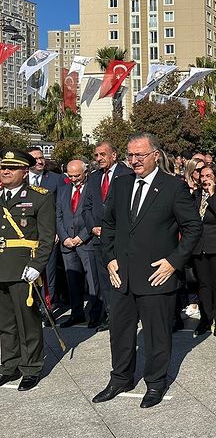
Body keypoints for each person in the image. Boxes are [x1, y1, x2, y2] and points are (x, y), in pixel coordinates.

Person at [93, 133, 202, 409]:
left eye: (140, 155)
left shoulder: (173, 187)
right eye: (130, 155)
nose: (134, 160)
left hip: (157, 275)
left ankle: (155, 383)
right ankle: (120, 378)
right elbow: (109, 226)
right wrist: (109, 259)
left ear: (156, 154)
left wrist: (173, 262)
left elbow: (193, 229)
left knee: (156, 335)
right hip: (122, 275)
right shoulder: (120, 184)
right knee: (119, 332)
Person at [0, 148, 55, 391]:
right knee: (5, 322)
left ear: (25, 171)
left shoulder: (40, 197)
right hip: (1, 267)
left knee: (28, 322)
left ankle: (31, 367)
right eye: (3, 167)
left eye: (11, 168)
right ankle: (9, 365)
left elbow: (46, 237)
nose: (5, 171)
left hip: (23, 268)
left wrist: (36, 265)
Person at [82, 141, 133, 331]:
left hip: (120, 236)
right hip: (98, 237)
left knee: (121, 276)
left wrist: (114, 228)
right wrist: (92, 227)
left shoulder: (127, 174)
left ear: (114, 155)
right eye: (96, 155)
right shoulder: (94, 178)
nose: (99, 159)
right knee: (104, 279)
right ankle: (111, 315)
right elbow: (86, 207)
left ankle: (126, 315)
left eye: (103, 154)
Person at [56, 159, 98, 327]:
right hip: (67, 242)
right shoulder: (63, 190)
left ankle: (96, 314)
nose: (73, 179)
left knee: (92, 281)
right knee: (72, 280)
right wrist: (64, 237)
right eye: (70, 176)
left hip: (85, 241)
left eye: (77, 175)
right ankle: (77, 313)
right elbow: (58, 215)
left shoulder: (92, 189)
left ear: (85, 173)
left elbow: (94, 215)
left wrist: (82, 237)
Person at [191, 165, 216, 338]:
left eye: (209, 175)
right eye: (202, 176)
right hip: (199, 247)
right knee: (204, 285)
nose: (205, 179)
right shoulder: (196, 195)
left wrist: (212, 193)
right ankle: (205, 319)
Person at [27, 146, 65, 311]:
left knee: (49, 272)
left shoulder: (56, 179)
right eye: (35, 159)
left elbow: (61, 207)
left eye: (41, 157)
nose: (40, 161)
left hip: (48, 234)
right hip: (26, 235)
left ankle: (47, 307)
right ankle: (31, 304)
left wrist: (56, 230)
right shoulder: (21, 179)